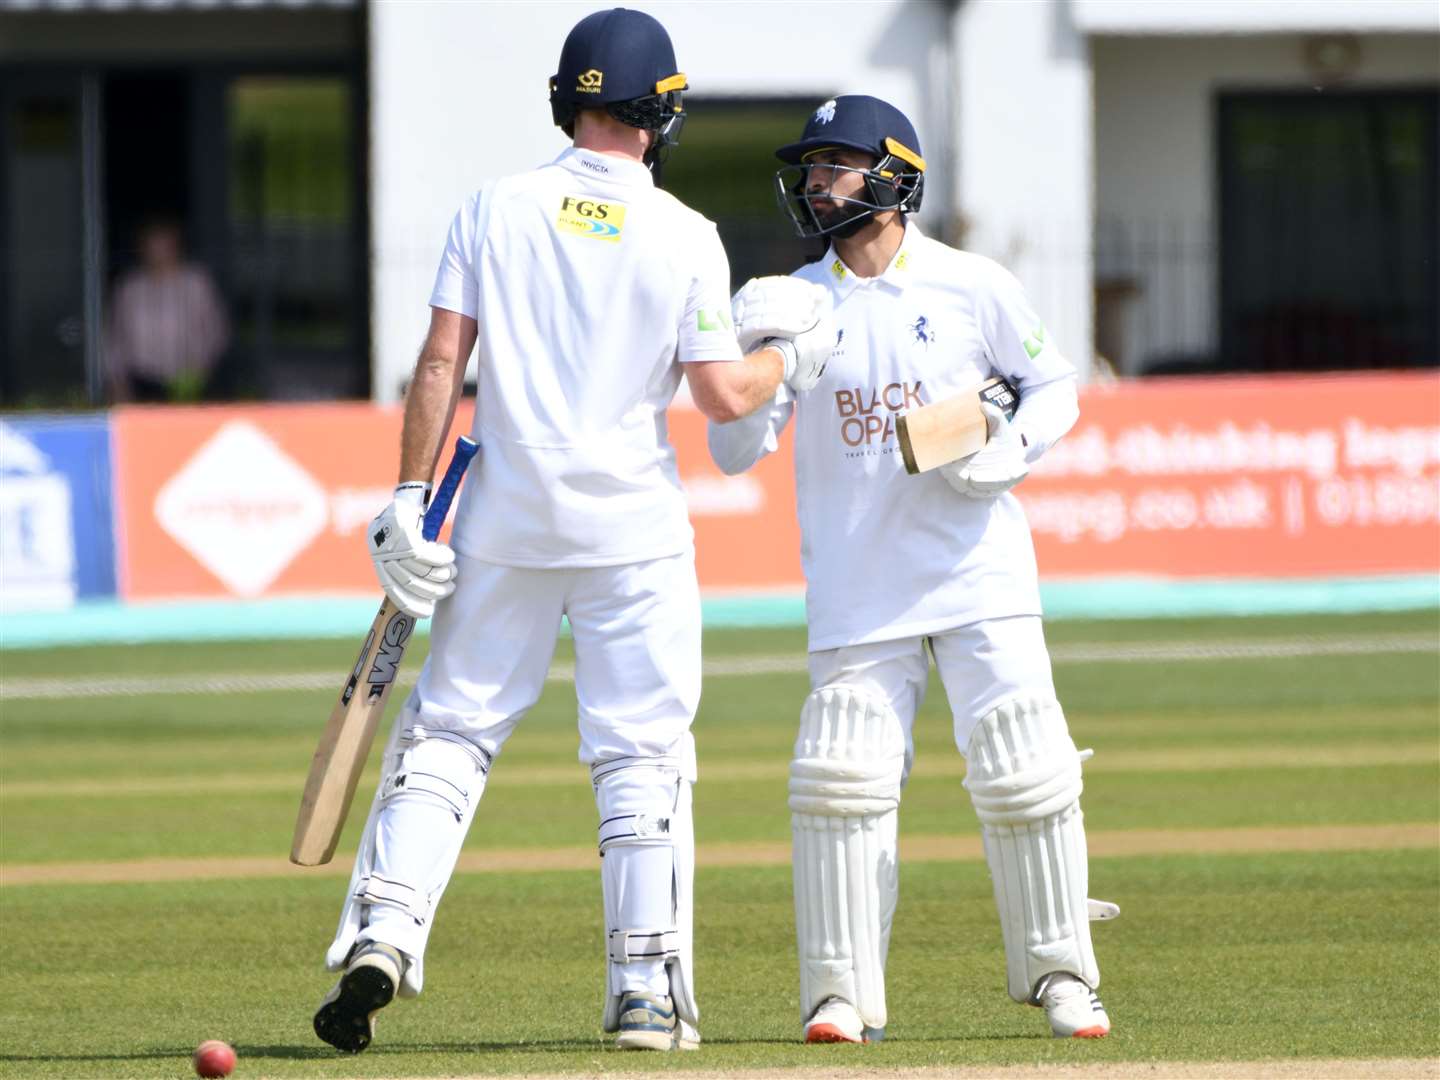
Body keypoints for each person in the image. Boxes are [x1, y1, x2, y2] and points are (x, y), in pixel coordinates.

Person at [310, 8, 833, 1056]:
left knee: (451, 730)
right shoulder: (685, 233)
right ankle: (645, 991)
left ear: (570, 99)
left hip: (503, 513)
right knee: (639, 752)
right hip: (629, 528)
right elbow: (728, 399)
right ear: (658, 113)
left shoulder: (493, 207)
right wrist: (797, 358)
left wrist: (408, 502)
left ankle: (385, 927)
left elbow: (436, 366)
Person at [708, 95, 1117, 1045]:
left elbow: (1056, 386)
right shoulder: (794, 305)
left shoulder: (972, 285)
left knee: (1025, 770)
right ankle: (840, 998)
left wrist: (1010, 453)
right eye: (809, 168)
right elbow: (734, 456)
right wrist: (753, 358)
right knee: (843, 783)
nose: (815, 183)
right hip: (859, 585)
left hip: (980, 572)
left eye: (835, 164)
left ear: (895, 176)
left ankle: (1063, 978)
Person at [105, 215, 228, 402]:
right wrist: (117, 381)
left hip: (193, 380)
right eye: (153, 243)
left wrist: (203, 369)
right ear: (143, 247)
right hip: (142, 380)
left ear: (176, 245)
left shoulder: (196, 282)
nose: (159, 250)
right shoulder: (130, 287)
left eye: (164, 243)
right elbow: (116, 338)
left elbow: (215, 330)